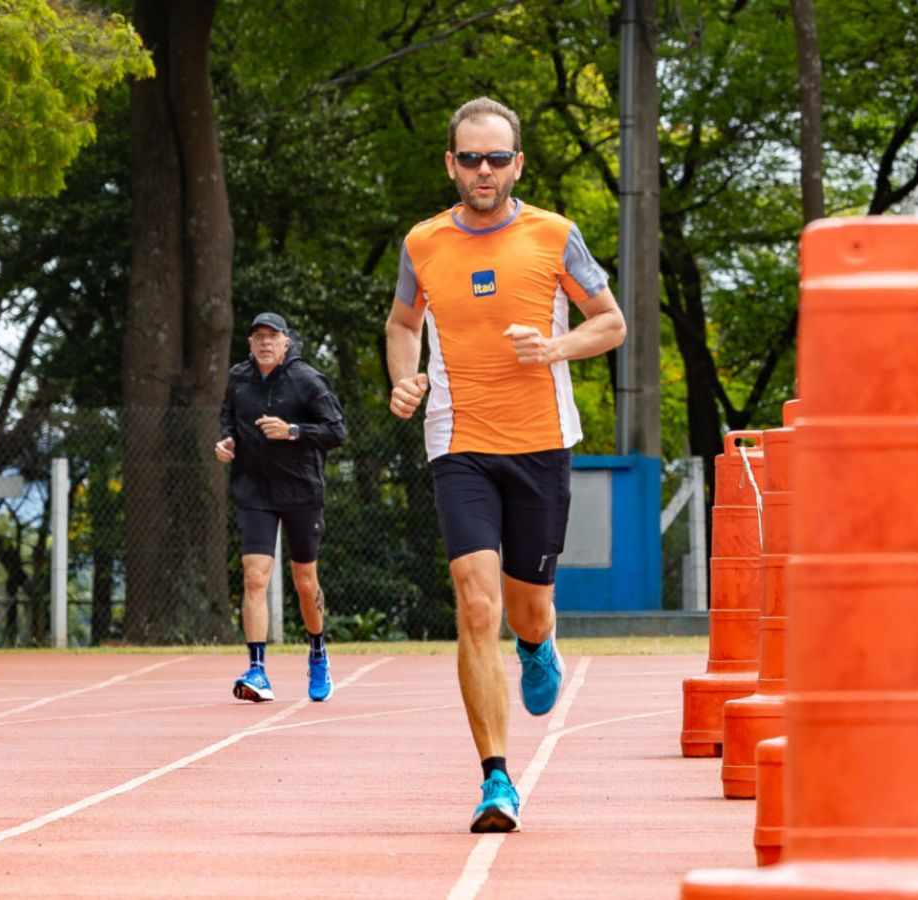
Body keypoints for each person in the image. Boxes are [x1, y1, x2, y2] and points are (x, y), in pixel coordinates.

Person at [384, 97, 626, 833]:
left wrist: (554, 348)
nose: (482, 171)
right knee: (475, 602)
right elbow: (402, 323)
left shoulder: (554, 234)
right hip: (459, 441)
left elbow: (610, 323)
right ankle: (496, 779)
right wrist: (404, 376)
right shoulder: (423, 242)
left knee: (527, 608)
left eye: (496, 158)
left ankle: (538, 642)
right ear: (450, 164)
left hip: (542, 443)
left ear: (517, 163)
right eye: (470, 158)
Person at [215, 312, 347, 703]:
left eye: (272, 336)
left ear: (286, 341)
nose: (265, 343)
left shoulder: (306, 380)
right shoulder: (238, 378)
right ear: (250, 343)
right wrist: (226, 441)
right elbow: (228, 416)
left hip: (301, 490)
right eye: (258, 336)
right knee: (254, 577)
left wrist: (293, 431)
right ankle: (256, 669)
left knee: (305, 581)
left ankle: (318, 652)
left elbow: (337, 430)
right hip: (254, 490)